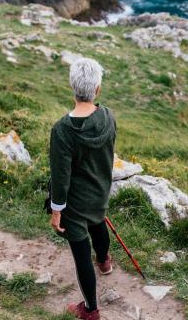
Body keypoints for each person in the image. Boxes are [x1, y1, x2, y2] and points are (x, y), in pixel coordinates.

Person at [49, 58, 116, 320]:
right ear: (97, 89)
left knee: (80, 255)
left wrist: (57, 212)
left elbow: (60, 175)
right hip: (100, 192)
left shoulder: (63, 130)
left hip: (75, 203)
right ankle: (105, 262)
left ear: (72, 86)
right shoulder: (107, 117)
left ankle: (90, 310)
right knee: (98, 223)